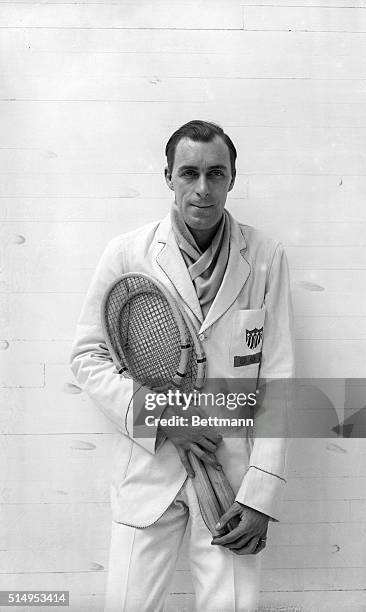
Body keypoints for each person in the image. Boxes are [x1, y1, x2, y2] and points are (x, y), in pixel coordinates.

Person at [70, 120, 295, 611]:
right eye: (188, 173)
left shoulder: (265, 256)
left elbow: (279, 381)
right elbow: (88, 358)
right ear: (167, 176)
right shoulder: (127, 252)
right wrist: (168, 419)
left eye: (216, 174)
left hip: (231, 483)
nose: (202, 188)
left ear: (233, 177)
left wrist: (261, 493)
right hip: (149, 470)